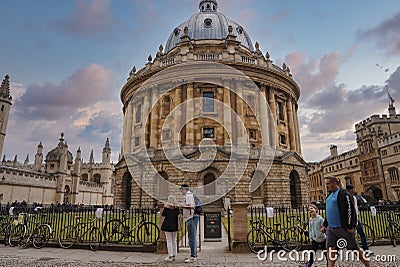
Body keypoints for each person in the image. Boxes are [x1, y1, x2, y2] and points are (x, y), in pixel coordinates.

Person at [321, 177, 370, 267]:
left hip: (342, 227)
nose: (326, 185)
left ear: (334, 183)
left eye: (328, 183)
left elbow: (350, 210)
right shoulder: (329, 195)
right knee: (331, 250)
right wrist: (325, 224)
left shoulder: (344, 194)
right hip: (331, 228)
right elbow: (329, 211)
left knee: (355, 249)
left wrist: (349, 226)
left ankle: (368, 265)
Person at [346, 184, 373, 255]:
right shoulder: (353, 198)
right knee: (361, 234)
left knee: (348, 235)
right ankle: (365, 249)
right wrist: (356, 220)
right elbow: (354, 209)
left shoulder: (345, 197)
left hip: (347, 220)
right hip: (354, 219)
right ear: (351, 189)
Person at [180, 184, 198, 263]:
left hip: (191, 218)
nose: (180, 191)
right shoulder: (190, 195)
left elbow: (190, 206)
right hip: (191, 217)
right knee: (192, 236)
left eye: (181, 189)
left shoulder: (188, 196)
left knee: (191, 237)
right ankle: (194, 254)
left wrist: (181, 205)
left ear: (184, 189)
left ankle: (193, 256)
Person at [161, 195, 180, 262]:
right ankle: (174, 255)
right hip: (174, 226)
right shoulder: (177, 209)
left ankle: (170, 255)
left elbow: (163, 214)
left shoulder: (167, 208)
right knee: (174, 240)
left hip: (167, 225)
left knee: (169, 240)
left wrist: (165, 206)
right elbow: (178, 215)